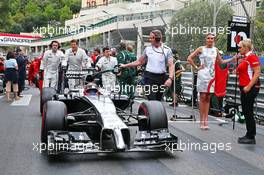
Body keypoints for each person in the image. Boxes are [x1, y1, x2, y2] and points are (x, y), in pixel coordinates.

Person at [219, 39, 260, 144]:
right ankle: (249, 134)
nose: (238, 49)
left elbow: (257, 73)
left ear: (246, 47)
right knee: (246, 111)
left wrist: (249, 86)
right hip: (245, 87)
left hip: (250, 88)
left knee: (248, 111)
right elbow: (242, 70)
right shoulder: (246, 58)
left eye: (240, 47)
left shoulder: (252, 57)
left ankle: (251, 136)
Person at [120, 29, 174, 101]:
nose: (150, 39)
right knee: (151, 99)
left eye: (151, 38)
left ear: (157, 38)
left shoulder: (167, 50)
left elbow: (171, 65)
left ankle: (154, 112)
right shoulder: (147, 49)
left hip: (161, 78)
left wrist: (170, 78)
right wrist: (125, 65)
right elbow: (139, 62)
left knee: (158, 100)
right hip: (149, 77)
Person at [187, 33, 218, 130]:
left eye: (212, 38)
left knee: (208, 97)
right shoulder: (201, 48)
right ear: (206, 39)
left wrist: (233, 59)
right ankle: (201, 121)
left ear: (214, 40)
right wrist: (196, 67)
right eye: (208, 38)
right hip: (202, 75)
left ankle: (206, 120)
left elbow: (221, 61)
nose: (210, 40)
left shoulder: (216, 50)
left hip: (212, 76)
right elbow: (189, 58)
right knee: (203, 97)